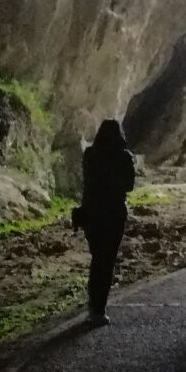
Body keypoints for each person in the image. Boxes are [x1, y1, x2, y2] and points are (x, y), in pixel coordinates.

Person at [79, 118, 135, 326]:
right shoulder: (124, 157)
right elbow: (129, 186)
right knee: (108, 260)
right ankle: (99, 309)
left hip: (92, 211)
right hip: (114, 212)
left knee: (97, 258)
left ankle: (93, 305)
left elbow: (87, 184)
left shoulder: (90, 155)